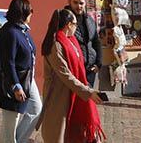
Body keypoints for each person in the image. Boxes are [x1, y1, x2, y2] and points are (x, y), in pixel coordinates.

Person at [36, 8, 104, 143]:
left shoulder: (71, 42)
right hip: (58, 97)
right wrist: (88, 92)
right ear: (68, 25)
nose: (76, 27)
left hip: (73, 95)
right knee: (57, 136)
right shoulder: (55, 45)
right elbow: (65, 74)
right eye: (75, 24)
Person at [0, 0, 42, 143]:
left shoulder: (23, 31)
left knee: (36, 109)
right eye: (30, 11)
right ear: (23, 13)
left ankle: (18, 140)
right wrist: (15, 85)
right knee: (11, 121)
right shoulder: (10, 32)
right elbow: (8, 62)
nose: (32, 13)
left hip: (27, 78)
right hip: (14, 81)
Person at [68, 0, 102, 88]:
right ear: (69, 1)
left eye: (81, 3)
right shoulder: (64, 19)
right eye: (75, 3)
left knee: (89, 100)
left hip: (90, 69)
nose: (79, 6)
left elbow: (96, 41)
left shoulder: (89, 19)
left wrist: (98, 64)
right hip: (75, 69)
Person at [97, 8, 128, 95]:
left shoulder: (118, 28)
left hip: (117, 49)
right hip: (116, 50)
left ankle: (119, 78)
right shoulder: (115, 29)